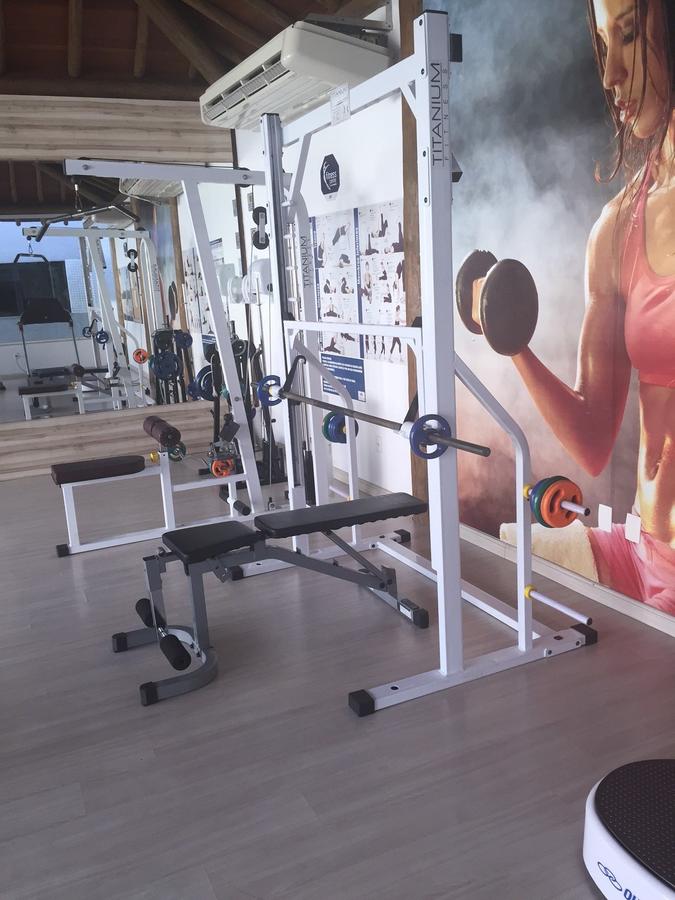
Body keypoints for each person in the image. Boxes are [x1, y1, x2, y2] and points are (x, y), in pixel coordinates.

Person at [502, 0, 674, 611]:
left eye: (628, 35)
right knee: (506, 570)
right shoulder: (618, 226)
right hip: (649, 551)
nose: (610, 74)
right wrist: (511, 342)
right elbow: (595, 437)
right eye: (604, 44)